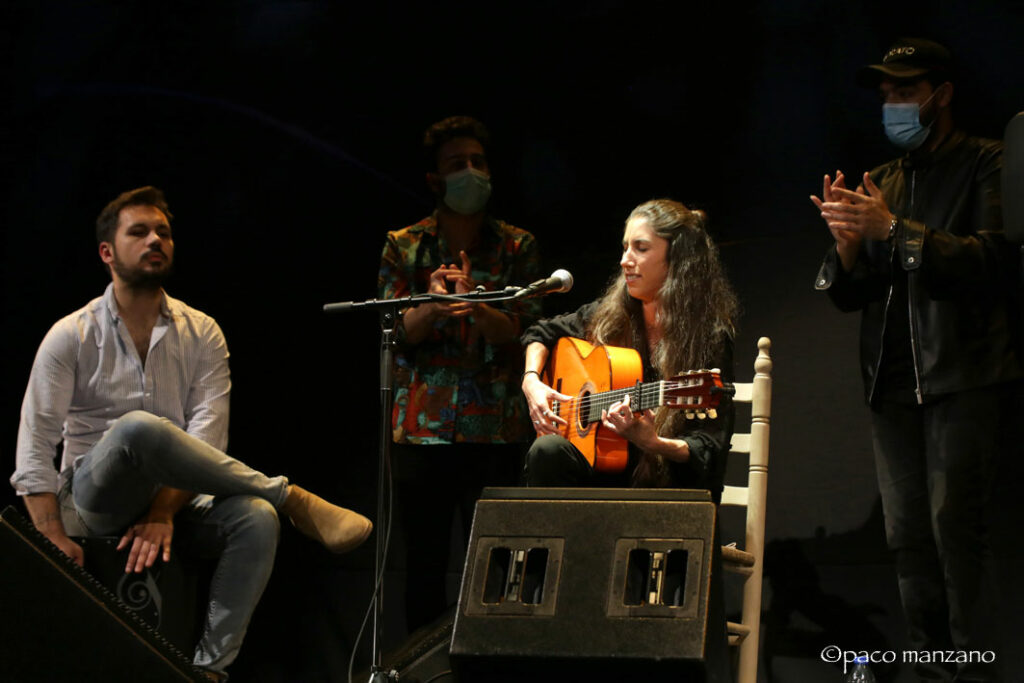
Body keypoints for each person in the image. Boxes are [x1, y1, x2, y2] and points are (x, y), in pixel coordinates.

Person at [11, 186, 373, 680]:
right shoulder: (71, 334)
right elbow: (34, 444)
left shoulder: (202, 331)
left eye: (163, 232)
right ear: (107, 253)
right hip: (94, 496)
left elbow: (206, 441)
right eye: (138, 232)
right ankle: (289, 495)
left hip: (177, 499)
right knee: (137, 428)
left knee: (256, 518)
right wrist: (50, 534)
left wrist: (163, 510)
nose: (155, 240)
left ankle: (208, 671)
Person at [811, 37, 1022, 681]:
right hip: (892, 384)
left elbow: (991, 258)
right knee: (907, 540)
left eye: (905, 91)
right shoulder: (888, 180)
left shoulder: (988, 160)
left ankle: (973, 670)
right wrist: (847, 248)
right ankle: (933, 669)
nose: (893, 104)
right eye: (887, 94)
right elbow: (851, 296)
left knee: (955, 534)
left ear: (942, 94)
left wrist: (891, 232)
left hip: (962, 375)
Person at [377, 116, 541, 632]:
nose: (471, 172)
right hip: (422, 431)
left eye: (478, 162)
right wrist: (433, 305)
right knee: (424, 568)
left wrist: (476, 308)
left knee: (496, 563)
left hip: (495, 428)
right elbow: (393, 332)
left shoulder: (517, 246)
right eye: (456, 165)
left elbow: (530, 331)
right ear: (434, 180)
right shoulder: (404, 245)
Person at [520, 198, 738, 496]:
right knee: (547, 450)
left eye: (641, 248)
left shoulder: (709, 337)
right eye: (625, 247)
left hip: (667, 493)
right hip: (604, 482)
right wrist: (532, 380)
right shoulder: (612, 315)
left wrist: (654, 443)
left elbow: (709, 449)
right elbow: (540, 332)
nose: (625, 260)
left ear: (677, 258)